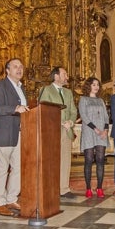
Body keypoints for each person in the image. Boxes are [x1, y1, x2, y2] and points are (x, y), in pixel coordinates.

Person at [0, 58, 29, 216]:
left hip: (20, 133)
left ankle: (11, 198)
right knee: (1, 169)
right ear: (7, 70)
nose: (19, 69)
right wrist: (16, 108)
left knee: (18, 168)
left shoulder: (21, 88)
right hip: (5, 133)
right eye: (15, 67)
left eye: (21, 66)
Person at [38, 66, 78, 199]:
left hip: (67, 130)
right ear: (56, 76)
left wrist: (71, 122)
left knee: (65, 160)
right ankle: (51, 187)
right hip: (52, 130)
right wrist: (58, 122)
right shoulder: (46, 90)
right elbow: (43, 109)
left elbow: (73, 111)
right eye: (64, 74)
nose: (67, 76)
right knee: (51, 160)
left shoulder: (68, 92)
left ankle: (64, 189)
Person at [78, 77, 109, 198]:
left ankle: (100, 188)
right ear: (88, 86)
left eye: (97, 85)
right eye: (93, 84)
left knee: (100, 160)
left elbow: (106, 117)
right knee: (89, 160)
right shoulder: (83, 99)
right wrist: (96, 129)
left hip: (101, 133)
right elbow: (84, 116)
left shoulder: (101, 100)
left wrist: (105, 130)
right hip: (89, 132)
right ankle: (88, 188)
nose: (96, 87)